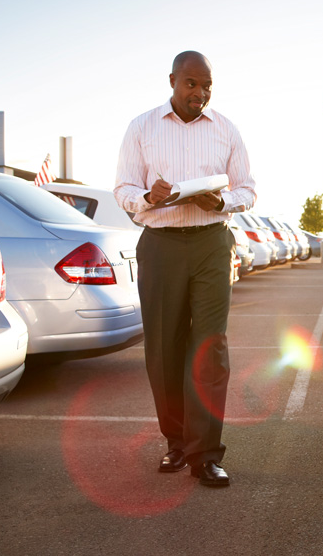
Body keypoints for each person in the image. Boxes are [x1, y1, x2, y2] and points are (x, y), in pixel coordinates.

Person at [114, 50, 256, 487]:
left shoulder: (226, 129)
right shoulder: (142, 127)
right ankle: (176, 443)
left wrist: (223, 201)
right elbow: (122, 187)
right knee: (164, 348)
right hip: (160, 245)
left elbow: (248, 189)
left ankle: (206, 454)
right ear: (173, 80)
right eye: (191, 83)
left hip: (212, 243)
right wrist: (149, 198)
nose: (200, 92)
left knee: (209, 347)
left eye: (207, 85)